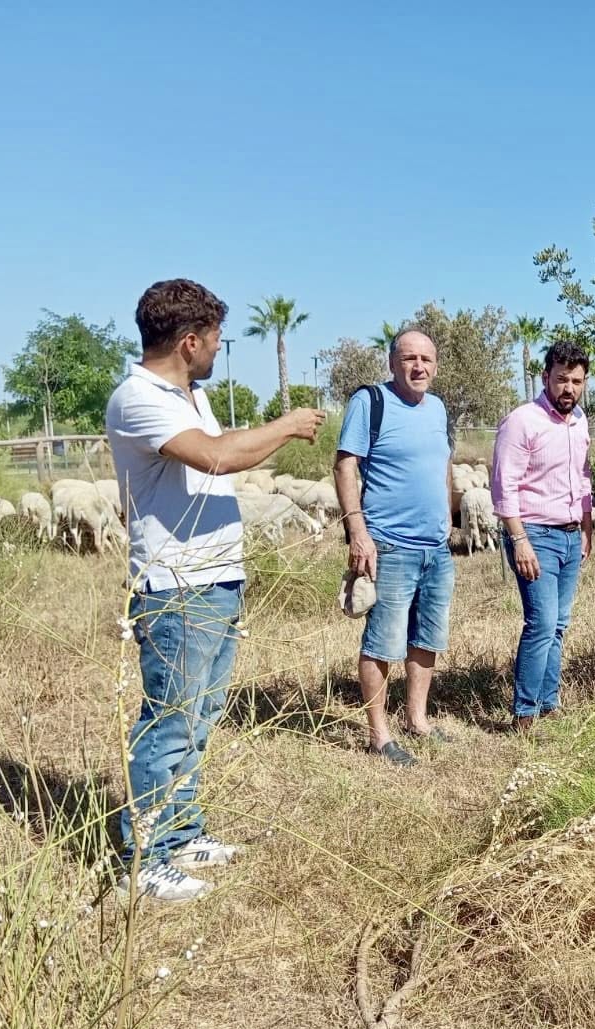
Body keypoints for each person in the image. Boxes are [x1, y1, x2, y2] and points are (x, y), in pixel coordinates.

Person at [106, 278, 324, 901]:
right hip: (177, 587)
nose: (219, 354)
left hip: (215, 579)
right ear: (190, 341)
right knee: (168, 722)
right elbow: (216, 459)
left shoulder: (188, 395)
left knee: (199, 718)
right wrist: (285, 426)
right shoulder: (139, 398)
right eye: (217, 343)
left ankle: (181, 832)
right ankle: (144, 861)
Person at [334, 330, 456, 764]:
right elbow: (346, 465)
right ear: (392, 363)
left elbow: (443, 464)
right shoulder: (370, 403)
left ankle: (417, 719)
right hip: (389, 545)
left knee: (427, 638)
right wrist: (357, 532)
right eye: (409, 358)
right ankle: (379, 735)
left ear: (435, 365)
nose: (418, 366)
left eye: (426, 359)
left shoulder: (438, 408)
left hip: (436, 547)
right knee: (383, 641)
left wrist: (448, 518)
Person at [491, 340, 593, 732]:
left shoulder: (579, 421)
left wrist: (586, 525)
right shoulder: (522, 421)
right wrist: (519, 540)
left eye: (577, 381)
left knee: (559, 624)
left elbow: (582, 477)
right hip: (534, 534)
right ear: (546, 377)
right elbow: (504, 487)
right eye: (562, 379)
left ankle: (549, 703)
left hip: (570, 534)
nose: (569, 388)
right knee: (541, 622)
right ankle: (525, 713)